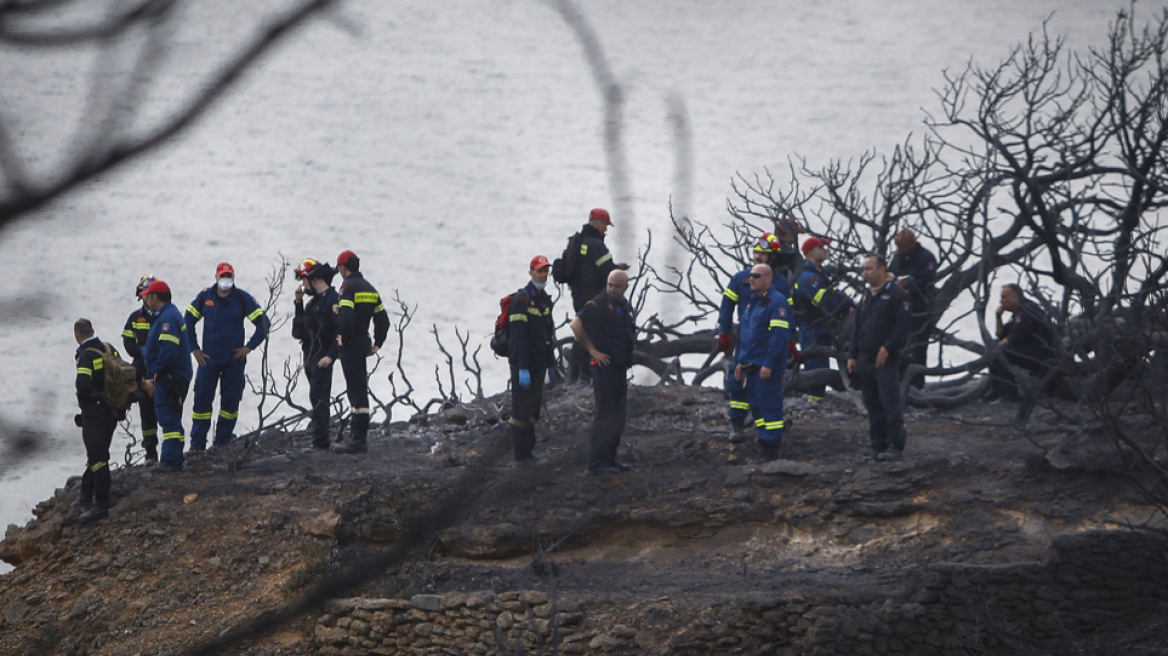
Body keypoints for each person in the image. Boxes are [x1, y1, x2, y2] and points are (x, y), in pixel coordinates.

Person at [185, 263, 269, 453]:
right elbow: (188, 320)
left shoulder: (242, 298)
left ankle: (222, 441)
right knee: (201, 402)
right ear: (215, 277)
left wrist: (249, 347)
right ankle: (197, 444)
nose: (226, 280)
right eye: (223, 276)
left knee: (230, 402)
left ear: (234, 277)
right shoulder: (205, 297)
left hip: (234, 361)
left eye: (229, 276)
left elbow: (263, 323)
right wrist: (194, 349)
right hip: (208, 360)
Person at [716, 232, 789, 437]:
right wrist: (724, 331)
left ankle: (766, 429)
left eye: (763, 254)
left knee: (764, 386)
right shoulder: (741, 279)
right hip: (746, 340)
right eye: (756, 252)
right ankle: (737, 425)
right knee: (737, 381)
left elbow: (788, 315)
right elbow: (727, 305)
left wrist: (789, 340)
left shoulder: (781, 284)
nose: (757, 256)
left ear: (773, 257)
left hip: (768, 342)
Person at [570, 270, 636, 475]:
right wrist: (592, 350)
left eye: (617, 286)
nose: (612, 289)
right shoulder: (597, 304)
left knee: (619, 415)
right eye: (610, 284)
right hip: (603, 366)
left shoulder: (623, 306)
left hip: (619, 366)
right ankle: (595, 463)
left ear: (626, 287)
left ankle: (610, 458)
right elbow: (575, 324)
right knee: (605, 414)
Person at [847, 254, 911, 462]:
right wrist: (852, 355)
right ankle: (877, 445)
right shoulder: (866, 296)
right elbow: (858, 327)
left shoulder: (896, 294)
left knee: (889, 401)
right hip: (865, 358)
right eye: (863, 269)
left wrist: (888, 348)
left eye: (869, 268)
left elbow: (903, 326)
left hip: (884, 359)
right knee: (872, 403)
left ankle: (895, 445)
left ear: (882, 269)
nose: (865, 273)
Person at [332, 250, 390, 454]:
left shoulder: (347, 288)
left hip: (351, 345)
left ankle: (358, 440)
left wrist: (344, 339)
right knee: (359, 388)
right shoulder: (370, 289)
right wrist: (377, 343)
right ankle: (357, 437)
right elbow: (383, 319)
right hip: (363, 343)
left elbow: (346, 317)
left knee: (356, 392)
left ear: (343, 268)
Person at [733, 265, 792, 463]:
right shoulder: (753, 302)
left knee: (770, 406)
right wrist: (741, 362)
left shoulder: (777, 302)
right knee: (756, 406)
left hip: (766, 365)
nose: (751, 279)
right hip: (750, 363)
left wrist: (768, 364)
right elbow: (746, 335)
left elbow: (779, 337)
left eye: (756, 276)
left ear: (768, 278)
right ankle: (763, 440)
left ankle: (771, 448)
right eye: (750, 276)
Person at [563, 208, 627, 383]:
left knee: (582, 332)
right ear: (599, 223)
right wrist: (619, 270)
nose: (605, 229)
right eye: (605, 225)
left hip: (577, 296)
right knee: (592, 334)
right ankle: (585, 375)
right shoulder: (596, 245)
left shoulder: (575, 242)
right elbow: (607, 270)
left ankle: (573, 374)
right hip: (593, 297)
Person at [506, 256, 557, 465]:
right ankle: (521, 454)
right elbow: (517, 337)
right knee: (521, 409)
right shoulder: (521, 300)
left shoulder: (544, 299)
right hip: (523, 363)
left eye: (545, 271)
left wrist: (552, 365)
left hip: (540, 362)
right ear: (531, 273)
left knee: (534, 408)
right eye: (539, 271)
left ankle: (530, 451)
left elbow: (548, 334)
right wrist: (522, 368)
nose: (543, 275)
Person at [73, 318, 123, 523]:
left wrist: (84, 405)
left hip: (95, 413)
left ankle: (101, 504)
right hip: (112, 410)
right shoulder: (108, 348)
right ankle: (86, 493)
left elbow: (84, 386)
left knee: (98, 458)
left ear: (77, 335)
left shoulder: (85, 356)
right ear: (93, 331)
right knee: (97, 453)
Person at [139, 280, 193, 472]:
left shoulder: (168, 318)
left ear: (155, 297)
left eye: (147, 296)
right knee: (173, 417)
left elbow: (168, 350)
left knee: (168, 417)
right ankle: (175, 457)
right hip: (173, 375)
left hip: (168, 377)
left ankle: (170, 461)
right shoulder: (167, 315)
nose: (145, 299)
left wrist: (157, 371)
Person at [291, 258, 340, 451]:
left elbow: (339, 331)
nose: (302, 284)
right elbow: (297, 332)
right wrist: (298, 304)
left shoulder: (332, 300)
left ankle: (320, 443)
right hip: (309, 355)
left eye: (304, 279)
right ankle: (319, 440)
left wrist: (330, 356)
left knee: (320, 399)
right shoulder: (312, 303)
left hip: (322, 356)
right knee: (315, 398)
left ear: (315, 279)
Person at [794, 236, 849, 401]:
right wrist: (842, 303)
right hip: (812, 328)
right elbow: (823, 301)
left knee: (822, 363)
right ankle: (813, 400)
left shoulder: (819, 273)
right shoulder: (807, 276)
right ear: (810, 252)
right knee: (815, 366)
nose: (826, 250)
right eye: (821, 247)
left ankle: (817, 397)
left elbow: (831, 295)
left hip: (823, 327)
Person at [989, 283, 1057, 402]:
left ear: (1015, 298)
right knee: (996, 348)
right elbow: (1001, 336)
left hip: (1041, 353)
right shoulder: (1017, 312)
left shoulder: (1026, 310)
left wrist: (994, 351)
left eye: (1004, 297)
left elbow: (1013, 338)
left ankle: (1010, 395)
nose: (1001, 301)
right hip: (1029, 349)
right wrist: (998, 317)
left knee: (1000, 351)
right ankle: (997, 389)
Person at [888, 228, 938, 389]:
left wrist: (907, 285)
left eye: (901, 246)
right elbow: (890, 273)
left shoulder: (926, 257)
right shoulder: (897, 257)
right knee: (898, 345)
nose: (899, 250)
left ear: (912, 242)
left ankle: (918, 383)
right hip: (899, 310)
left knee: (919, 347)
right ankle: (900, 380)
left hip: (920, 309)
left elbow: (927, 281)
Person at [122, 276, 159, 463]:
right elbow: (128, 342)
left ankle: (172, 451)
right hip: (142, 370)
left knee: (167, 411)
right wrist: (141, 351)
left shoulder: (164, 315)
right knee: (147, 414)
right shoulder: (135, 318)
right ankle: (151, 453)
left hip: (161, 369)